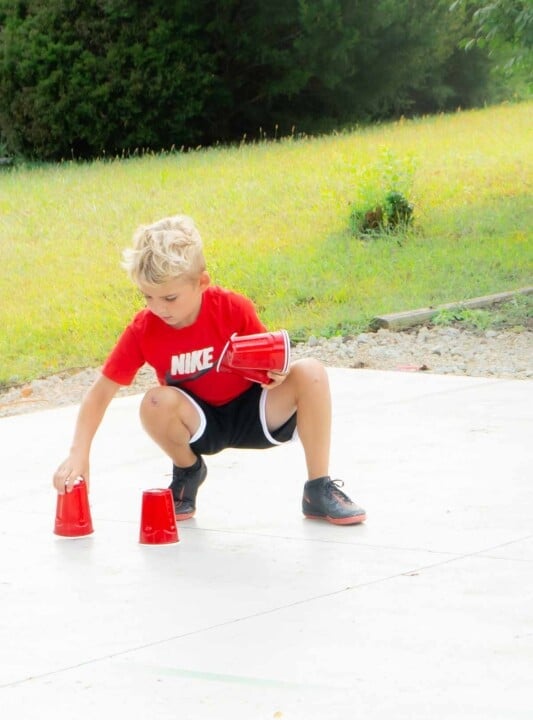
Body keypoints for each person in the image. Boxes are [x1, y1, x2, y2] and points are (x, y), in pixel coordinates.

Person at [53, 214, 366, 526]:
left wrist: (277, 374)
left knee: (311, 372)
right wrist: (79, 453)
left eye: (170, 297)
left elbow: (269, 365)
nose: (159, 308)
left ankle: (317, 489)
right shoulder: (143, 330)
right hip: (200, 425)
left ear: (202, 282)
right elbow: (99, 393)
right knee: (154, 402)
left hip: (252, 413)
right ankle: (188, 471)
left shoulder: (233, 308)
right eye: (147, 296)